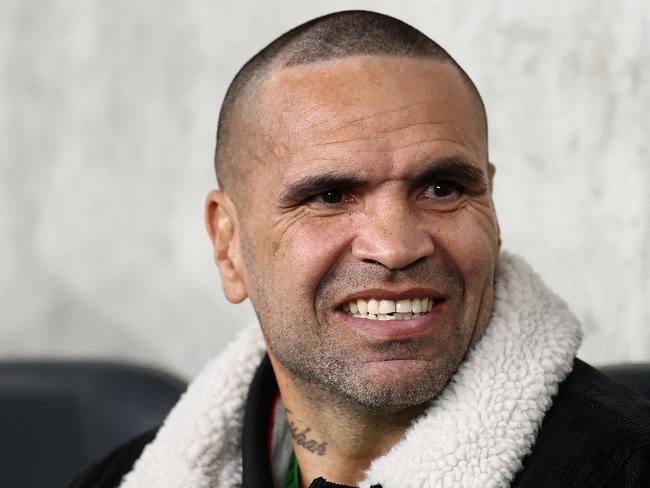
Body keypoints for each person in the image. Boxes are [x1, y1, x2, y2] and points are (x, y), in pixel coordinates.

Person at [69, 10, 650, 488]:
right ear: (228, 246)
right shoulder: (120, 479)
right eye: (329, 195)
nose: (396, 247)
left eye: (443, 188)